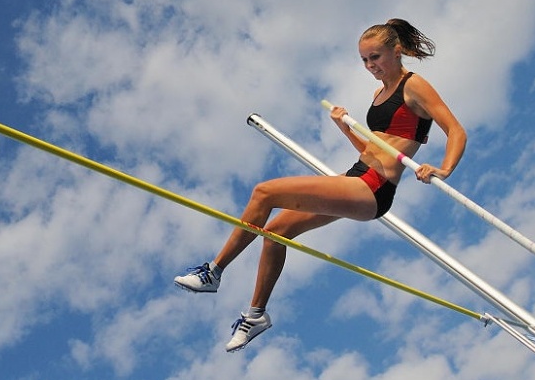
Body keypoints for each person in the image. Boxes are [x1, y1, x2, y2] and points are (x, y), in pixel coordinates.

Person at [175, 18, 467, 352]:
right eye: (365, 60)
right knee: (275, 233)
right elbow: (373, 151)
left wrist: (443, 169)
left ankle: (213, 272)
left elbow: (456, 130)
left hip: (374, 189)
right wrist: (345, 128)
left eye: (376, 57)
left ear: (396, 50)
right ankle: (256, 315)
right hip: (356, 177)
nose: (371, 66)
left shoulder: (414, 86)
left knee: (264, 192)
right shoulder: (379, 92)